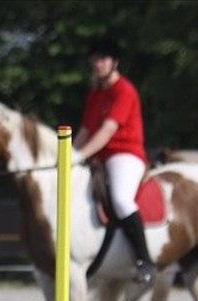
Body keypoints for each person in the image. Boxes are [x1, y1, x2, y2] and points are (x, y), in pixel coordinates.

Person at [73, 38, 155, 286]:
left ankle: (145, 261)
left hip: (125, 154)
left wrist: (80, 155)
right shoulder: (95, 93)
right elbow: (86, 129)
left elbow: (107, 131)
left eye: (103, 59)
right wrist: (68, 155)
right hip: (100, 157)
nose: (98, 64)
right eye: (95, 59)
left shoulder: (124, 90)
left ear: (114, 62)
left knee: (121, 198)